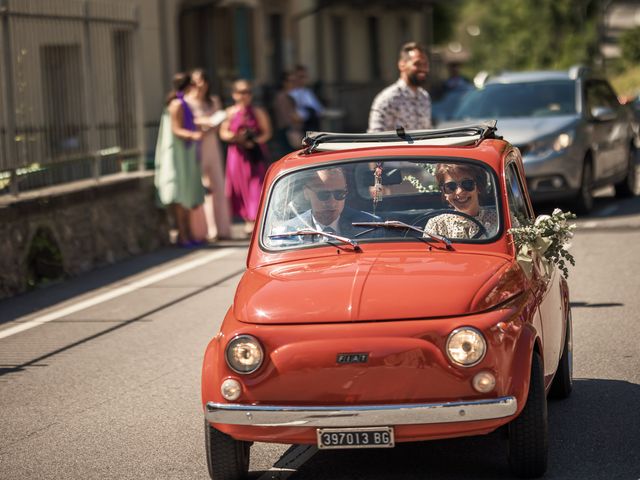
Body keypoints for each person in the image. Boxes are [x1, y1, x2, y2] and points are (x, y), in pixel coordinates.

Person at [154, 72, 204, 247]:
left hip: (185, 151)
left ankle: (187, 234)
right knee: (181, 195)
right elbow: (176, 129)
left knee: (186, 194)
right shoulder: (177, 104)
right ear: (189, 86)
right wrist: (194, 134)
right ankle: (183, 235)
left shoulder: (182, 103)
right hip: (178, 153)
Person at [219, 79, 272, 235]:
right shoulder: (230, 112)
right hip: (237, 154)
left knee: (257, 184)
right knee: (239, 186)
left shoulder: (258, 112)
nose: (245, 95)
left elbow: (267, 132)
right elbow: (223, 132)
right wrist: (237, 138)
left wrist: (253, 141)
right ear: (234, 94)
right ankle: (247, 219)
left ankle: (254, 219)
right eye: (241, 92)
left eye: (248, 92)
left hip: (254, 153)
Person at [186, 68, 232, 242]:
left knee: (218, 186)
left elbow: (219, 124)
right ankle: (201, 231)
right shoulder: (188, 102)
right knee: (200, 188)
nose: (201, 84)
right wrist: (203, 122)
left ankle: (221, 229)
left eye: (204, 80)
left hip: (212, 145)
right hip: (196, 147)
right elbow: (188, 122)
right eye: (197, 81)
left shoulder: (213, 101)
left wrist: (212, 123)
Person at [282, 167, 379, 239]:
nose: (332, 202)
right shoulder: (289, 232)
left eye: (340, 194)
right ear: (306, 193)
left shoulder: (371, 227)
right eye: (323, 194)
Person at [367, 42, 432, 132]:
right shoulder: (388, 98)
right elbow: (375, 137)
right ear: (402, 65)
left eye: (425, 64)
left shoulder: (424, 97)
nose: (423, 69)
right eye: (417, 64)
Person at [424, 163, 498, 239]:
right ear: (444, 193)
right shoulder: (436, 225)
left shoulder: (500, 220)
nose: (459, 191)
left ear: (478, 186)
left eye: (467, 184)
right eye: (450, 186)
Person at [273, 71, 304, 155]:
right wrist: (297, 120)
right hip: (287, 132)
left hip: (292, 130)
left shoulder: (291, 95)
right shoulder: (282, 97)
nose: (294, 84)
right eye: (291, 81)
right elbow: (287, 117)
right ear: (284, 82)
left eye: (295, 81)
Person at [289, 64, 325, 132]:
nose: (303, 80)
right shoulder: (291, 93)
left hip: (313, 126)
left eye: (305, 77)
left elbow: (319, 109)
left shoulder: (308, 92)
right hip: (300, 129)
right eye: (300, 77)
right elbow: (294, 116)